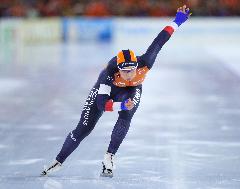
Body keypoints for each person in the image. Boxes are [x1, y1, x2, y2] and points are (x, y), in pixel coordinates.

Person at [41, 5, 191, 178]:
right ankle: (58, 160)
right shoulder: (108, 74)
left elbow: (160, 41)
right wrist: (120, 104)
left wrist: (178, 20)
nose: (129, 74)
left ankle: (110, 155)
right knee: (84, 128)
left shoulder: (146, 62)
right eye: (125, 71)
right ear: (118, 70)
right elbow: (101, 104)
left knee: (127, 114)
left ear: (137, 65)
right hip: (108, 92)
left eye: (132, 70)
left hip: (131, 91)